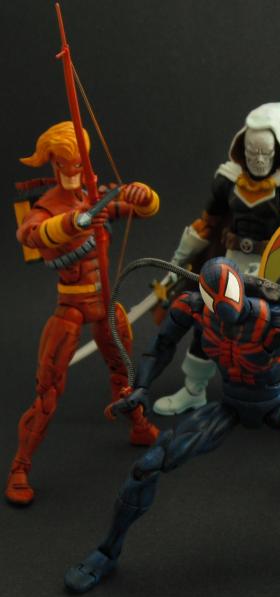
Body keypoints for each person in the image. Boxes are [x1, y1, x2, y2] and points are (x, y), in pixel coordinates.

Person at [64, 257, 280, 594]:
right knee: (145, 468)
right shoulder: (192, 308)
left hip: (277, 406)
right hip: (229, 407)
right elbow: (161, 347)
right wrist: (141, 387)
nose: (227, 321)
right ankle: (107, 553)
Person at [5, 122, 160, 505]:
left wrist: (144, 195)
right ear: (54, 165)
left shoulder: (95, 195)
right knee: (48, 390)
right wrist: (74, 222)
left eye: (80, 163)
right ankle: (20, 466)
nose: (75, 170)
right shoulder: (48, 206)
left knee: (123, 369)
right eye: (67, 164)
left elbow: (141, 209)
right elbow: (29, 234)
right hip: (71, 306)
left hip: (105, 303)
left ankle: (138, 424)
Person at [154, 102, 280, 416]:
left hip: (273, 272)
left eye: (265, 153)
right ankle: (194, 389)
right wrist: (178, 262)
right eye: (252, 152)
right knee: (208, 320)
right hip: (230, 265)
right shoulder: (228, 180)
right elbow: (207, 224)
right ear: (242, 150)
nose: (258, 160)